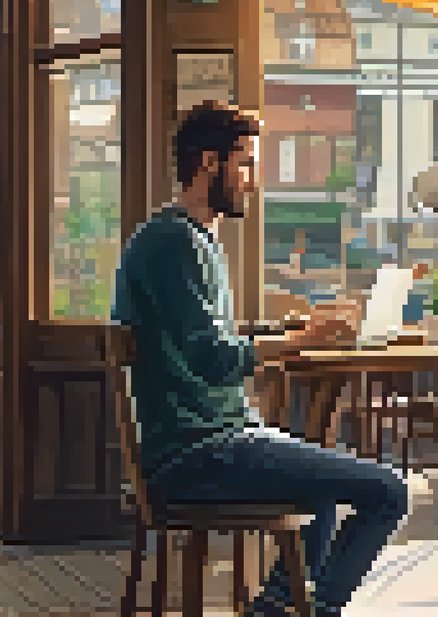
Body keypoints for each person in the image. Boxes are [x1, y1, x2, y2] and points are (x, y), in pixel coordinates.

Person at [111, 102, 408, 617]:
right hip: (196, 453)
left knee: (319, 488)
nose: (252, 180)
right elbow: (212, 357)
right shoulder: (175, 243)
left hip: (207, 442)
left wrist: (295, 331)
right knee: (387, 491)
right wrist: (300, 340)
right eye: (245, 162)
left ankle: (276, 607)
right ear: (209, 163)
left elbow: (208, 338)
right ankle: (312, 611)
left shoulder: (184, 238)